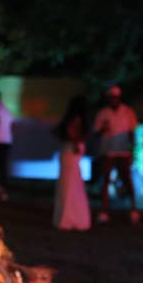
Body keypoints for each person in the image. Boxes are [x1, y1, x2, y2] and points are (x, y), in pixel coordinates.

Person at [93, 84, 140, 223]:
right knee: (106, 180)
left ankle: (133, 209)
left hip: (123, 150)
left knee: (127, 179)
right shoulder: (103, 113)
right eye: (111, 98)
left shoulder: (128, 112)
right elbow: (96, 132)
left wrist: (132, 150)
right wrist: (103, 129)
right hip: (108, 151)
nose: (114, 100)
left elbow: (132, 132)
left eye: (116, 98)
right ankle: (104, 211)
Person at [52, 95, 91, 230]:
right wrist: (76, 143)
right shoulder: (76, 119)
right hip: (72, 152)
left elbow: (61, 131)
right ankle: (70, 218)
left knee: (70, 185)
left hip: (70, 153)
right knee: (71, 186)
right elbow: (71, 133)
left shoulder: (71, 118)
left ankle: (67, 217)